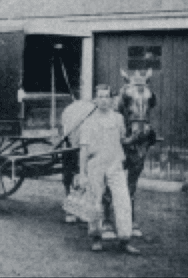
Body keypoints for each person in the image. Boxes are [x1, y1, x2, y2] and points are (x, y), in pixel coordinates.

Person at [77, 84, 140, 255]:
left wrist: (135, 137)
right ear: (95, 100)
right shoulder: (88, 122)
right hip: (95, 165)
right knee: (95, 202)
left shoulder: (118, 118)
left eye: (107, 96)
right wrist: (82, 173)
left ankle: (124, 240)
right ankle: (96, 238)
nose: (104, 100)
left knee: (123, 200)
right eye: (101, 97)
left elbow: (122, 140)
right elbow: (83, 150)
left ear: (112, 100)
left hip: (115, 164)